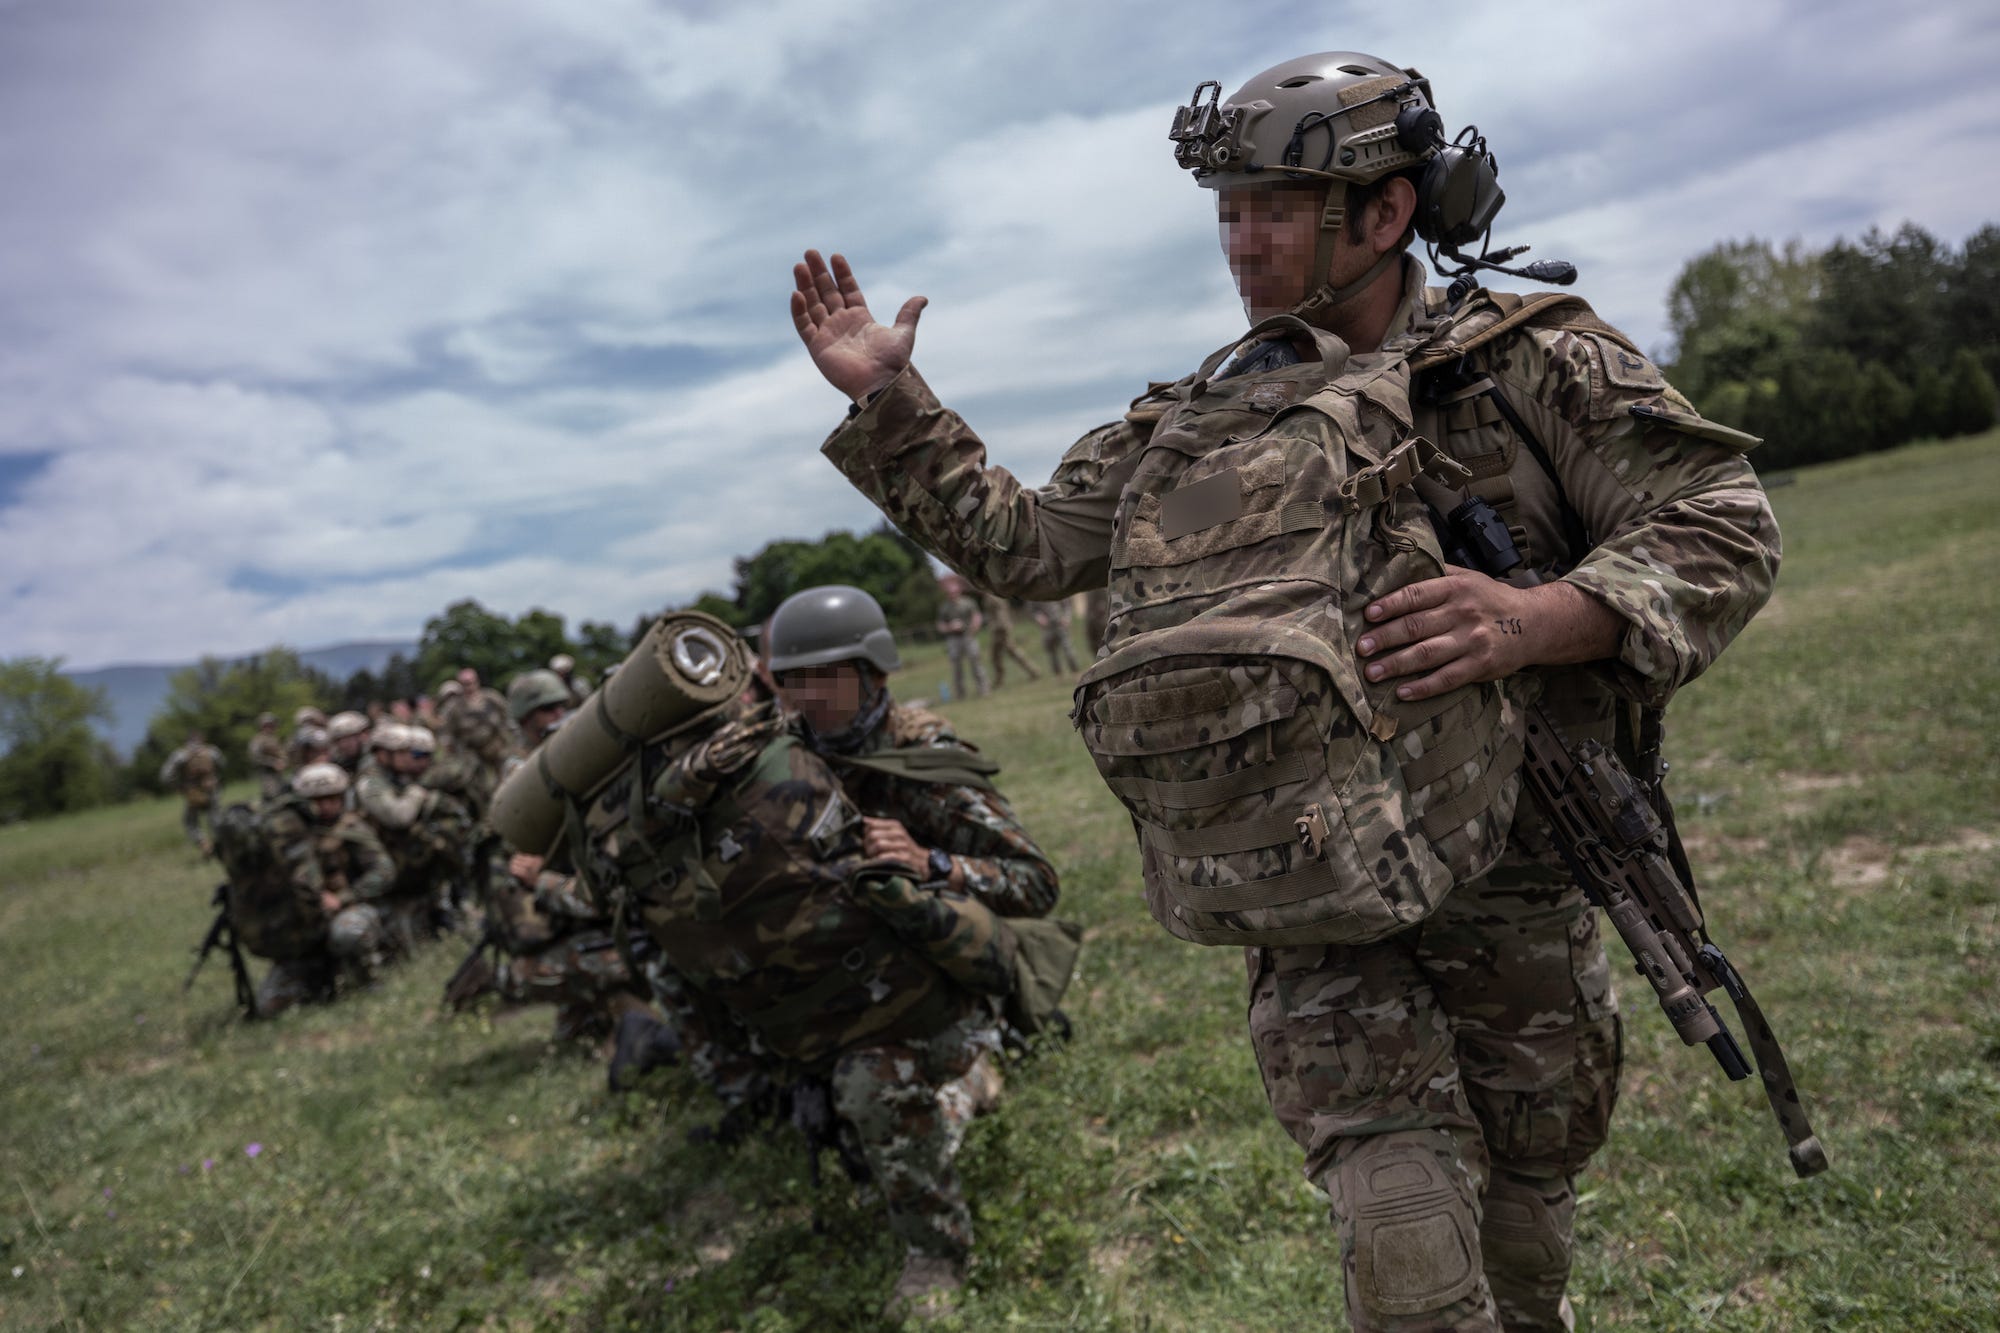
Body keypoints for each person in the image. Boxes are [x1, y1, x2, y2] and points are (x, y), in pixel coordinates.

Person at [790, 51, 1779, 1332]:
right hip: (1312, 887)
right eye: (1227, 208)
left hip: (1518, 859)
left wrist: (1535, 619)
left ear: (1386, 212)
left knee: (1530, 1186)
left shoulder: (1530, 364)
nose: (1241, 241)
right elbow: (1025, 545)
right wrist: (890, 397)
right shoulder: (1202, 414)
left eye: (1274, 207)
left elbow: (1720, 524)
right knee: (1402, 1223)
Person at [764, 585, 1060, 923]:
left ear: (874, 673)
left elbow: (1037, 884)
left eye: (826, 675)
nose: (810, 694)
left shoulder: (923, 760)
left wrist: (932, 863)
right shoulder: (784, 751)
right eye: (797, 678)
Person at [447, 669, 654, 1045]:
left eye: (561, 705)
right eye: (547, 709)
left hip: (578, 893)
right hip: (561, 904)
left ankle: (585, 1020)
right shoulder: (522, 774)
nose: (557, 714)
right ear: (526, 719)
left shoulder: (574, 754)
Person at [229, 762, 397, 1016]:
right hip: (306, 923)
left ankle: (368, 982)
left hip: (350, 910)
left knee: (348, 933)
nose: (325, 806)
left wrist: (344, 898)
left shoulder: (353, 829)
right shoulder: (292, 835)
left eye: (332, 799)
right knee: (269, 1009)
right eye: (317, 800)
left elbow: (384, 871)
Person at [160, 730, 225, 851]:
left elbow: (165, 775)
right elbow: (222, 765)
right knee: (216, 820)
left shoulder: (180, 755)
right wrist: (215, 779)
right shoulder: (212, 751)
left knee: (190, 822)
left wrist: (178, 786)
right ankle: (222, 845)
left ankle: (203, 843)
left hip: (192, 792)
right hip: (211, 789)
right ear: (202, 739)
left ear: (186, 741)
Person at [932, 574, 987, 701]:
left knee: (976, 663)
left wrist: (973, 629)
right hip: (953, 639)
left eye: (955, 591)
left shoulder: (968, 602)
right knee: (956, 668)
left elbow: (976, 616)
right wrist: (950, 627)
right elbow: (940, 625)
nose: (953, 594)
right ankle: (960, 694)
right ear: (947, 593)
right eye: (951, 592)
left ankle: (983, 688)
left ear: (959, 591)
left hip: (968, 636)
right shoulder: (944, 607)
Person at [980, 591, 1040, 688]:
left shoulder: (992, 596)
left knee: (1005, 653)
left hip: (1000, 629)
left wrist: (1001, 627)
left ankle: (1033, 671)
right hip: (999, 628)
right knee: (998, 655)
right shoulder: (991, 594)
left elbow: (1001, 612)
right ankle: (1000, 679)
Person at [1030, 600, 1081, 675]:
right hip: (1047, 628)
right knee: (1052, 653)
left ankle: (1076, 672)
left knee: (1068, 650)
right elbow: (1032, 611)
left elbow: (1067, 606)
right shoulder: (1035, 594)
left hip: (1060, 624)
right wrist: (1039, 618)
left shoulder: (1057, 589)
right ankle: (1059, 675)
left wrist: (1067, 618)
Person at [247, 713, 287, 802]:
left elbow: (281, 753)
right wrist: (273, 763)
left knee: (282, 794)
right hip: (267, 774)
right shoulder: (258, 740)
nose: (271, 727)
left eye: (272, 725)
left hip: (278, 774)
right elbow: (255, 758)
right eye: (268, 725)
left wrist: (283, 761)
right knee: (273, 797)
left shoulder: (274, 738)